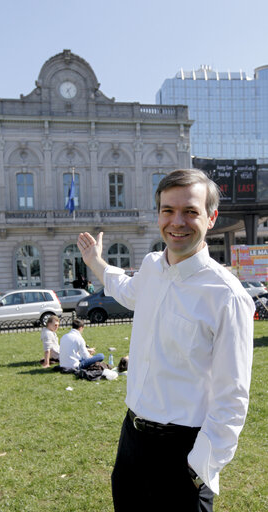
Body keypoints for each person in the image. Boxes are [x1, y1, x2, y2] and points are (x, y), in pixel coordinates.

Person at [77, 168, 255, 512]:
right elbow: (126, 289)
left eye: (190, 211)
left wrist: (198, 466)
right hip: (132, 441)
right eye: (168, 210)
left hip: (182, 453)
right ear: (158, 214)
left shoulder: (226, 295)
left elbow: (232, 396)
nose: (177, 222)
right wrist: (95, 262)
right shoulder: (153, 267)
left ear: (211, 217)